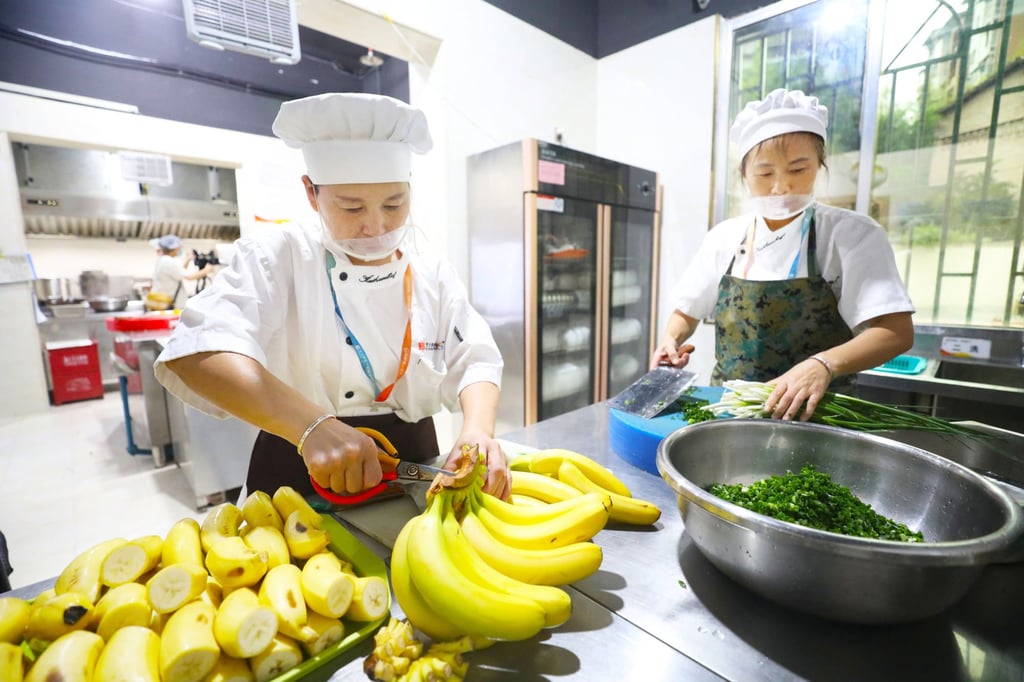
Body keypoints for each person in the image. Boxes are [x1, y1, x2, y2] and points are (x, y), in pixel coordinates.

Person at [154, 92, 511, 501]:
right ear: (311, 193)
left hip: (413, 458)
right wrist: (310, 426)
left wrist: (478, 431)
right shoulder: (277, 255)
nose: (376, 226)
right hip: (295, 458)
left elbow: (475, 358)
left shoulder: (432, 272)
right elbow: (197, 353)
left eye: (394, 204)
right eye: (352, 207)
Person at [651, 88, 914, 421]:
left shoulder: (851, 235)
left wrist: (823, 364)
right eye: (764, 174)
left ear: (819, 166)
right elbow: (686, 310)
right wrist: (671, 341)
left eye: (797, 170)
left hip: (817, 417)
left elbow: (895, 332)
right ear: (744, 175)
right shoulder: (724, 238)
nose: (781, 187)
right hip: (731, 415)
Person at [149, 234, 214, 309]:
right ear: (175, 248)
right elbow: (190, 277)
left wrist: (188, 259)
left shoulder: (163, 260)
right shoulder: (169, 261)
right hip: (171, 304)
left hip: (166, 302)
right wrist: (207, 269)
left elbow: (179, 272)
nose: (179, 250)